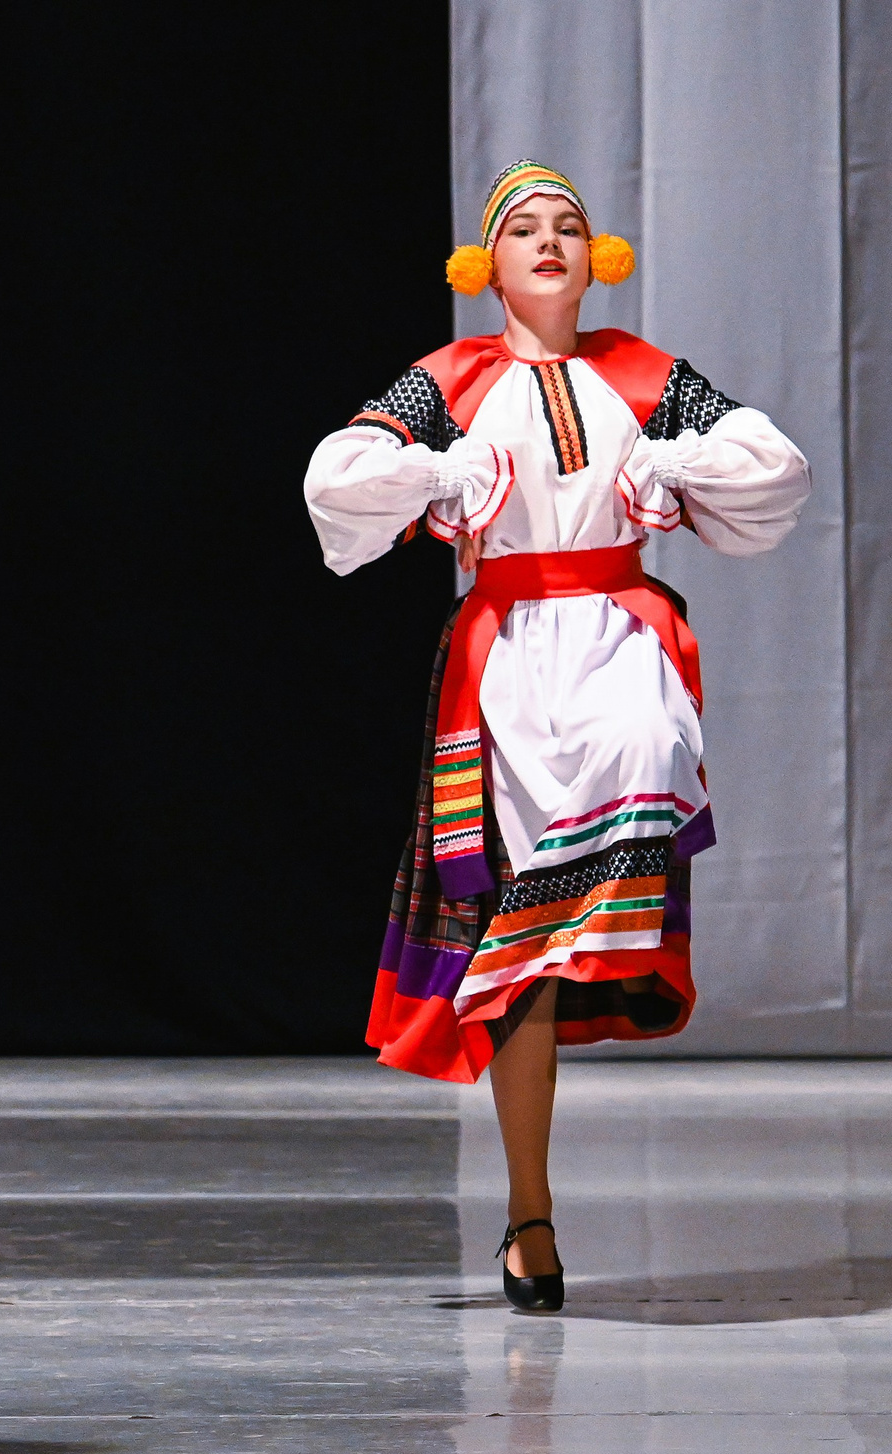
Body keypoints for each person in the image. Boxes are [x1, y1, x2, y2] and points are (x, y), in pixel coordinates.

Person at [304, 160, 809, 1312]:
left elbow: (773, 467)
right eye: (522, 228)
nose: (547, 241)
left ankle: (591, 921)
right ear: (486, 263)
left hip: (617, 633)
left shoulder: (643, 374)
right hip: (508, 659)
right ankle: (529, 1212)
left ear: (597, 258)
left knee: (643, 742)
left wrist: (671, 463)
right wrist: (442, 471)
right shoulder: (455, 377)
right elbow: (338, 478)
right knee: (521, 968)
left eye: (568, 227)